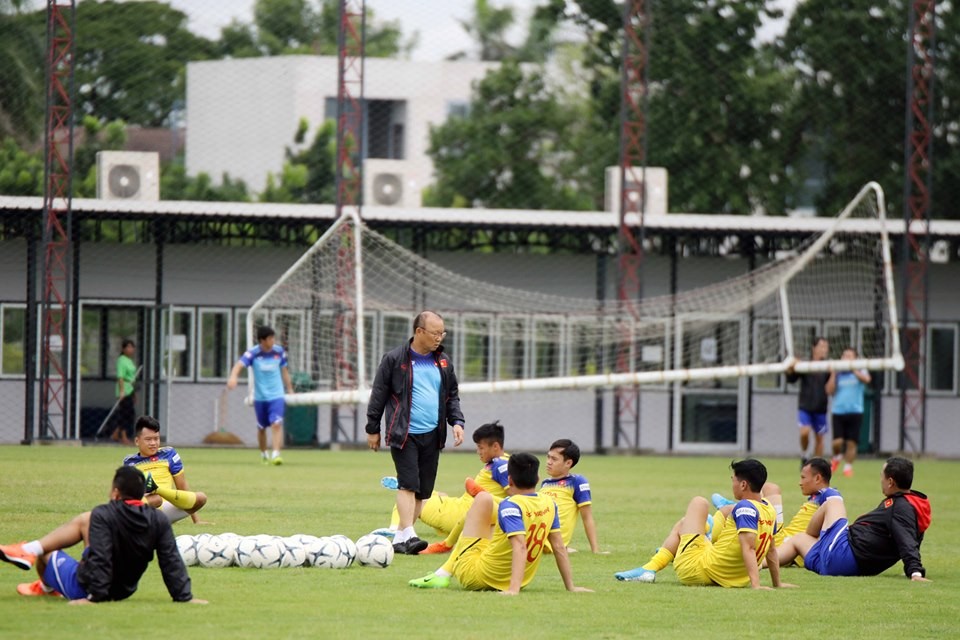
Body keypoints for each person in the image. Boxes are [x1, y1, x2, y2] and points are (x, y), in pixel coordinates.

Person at [0, 466, 206, 604]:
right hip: (125, 590)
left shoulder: (102, 514)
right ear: (140, 493)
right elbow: (170, 560)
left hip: (90, 588)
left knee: (48, 552)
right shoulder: (158, 519)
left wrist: (93, 597)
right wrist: (184, 597)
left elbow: (101, 555)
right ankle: (35, 567)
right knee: (88, 523)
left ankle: (31, 556)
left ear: (116, 493)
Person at [408, 452, 592, 594]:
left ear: (510, 480)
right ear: (536, 480)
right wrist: (571, 587)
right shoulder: (550, 504)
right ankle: (447, 553)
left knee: (482, 501)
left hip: (477, 577)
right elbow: (559, 547)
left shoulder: (510, 506)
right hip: (523, 579)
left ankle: (443, 571)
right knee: (487, 508)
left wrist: (513, 590)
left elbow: (520, 547)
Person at [366, 311, 465, 555]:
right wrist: (372, 428)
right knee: (408, 484)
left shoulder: (443, 362)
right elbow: (378, 394)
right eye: (435, 333)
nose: (439, 338)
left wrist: (457, 421)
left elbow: (452, 395)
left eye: (442, 333)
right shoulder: (394, 359)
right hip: (404, 432)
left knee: (423, 490)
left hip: (433, 434)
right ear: (419, 331)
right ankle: (410, 532)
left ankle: (400, 538)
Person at [615, 459, 792, 589]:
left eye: (734, 480)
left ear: (744, 484)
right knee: (708, 518)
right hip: (735, 577)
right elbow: (771, 549)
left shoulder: (745, 508)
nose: (732, 483)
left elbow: (749, 548)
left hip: (699, 570)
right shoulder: (769, 508)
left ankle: (649, 568)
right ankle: (716, 518)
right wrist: (778, 584)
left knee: (696, 506)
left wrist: (756, 586)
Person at [776, 457, 931, 580]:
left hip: (843, 554)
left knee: (833, 501)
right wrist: (911, 568)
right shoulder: (914, 504)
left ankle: (821, 504)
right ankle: (757, 564)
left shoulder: (900, 507)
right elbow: (913, 536)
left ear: (890, 482)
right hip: (837, 564)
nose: (880, 480)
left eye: (881, 476)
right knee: (799, 539)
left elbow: (906, 539)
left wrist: (915, 571)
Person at [713, 457, 842, 568]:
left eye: (803, 478)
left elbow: (835, 520)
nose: (800, 483)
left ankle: (729, 512)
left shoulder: (830, 495)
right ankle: (733, 510)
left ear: (818, 478)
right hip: (783, 536)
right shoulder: (817, 497)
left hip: (783, 543)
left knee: (765, 491)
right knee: (768, 489)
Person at [123, 415, 210, 524]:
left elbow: (182, 487)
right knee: (155, 499)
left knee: (201, 498)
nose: (153, 443)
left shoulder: (169, 454)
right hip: (144, 507)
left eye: (156, 438)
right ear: (137, 441)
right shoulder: (129, 462)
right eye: (148, 439)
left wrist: (196, 521)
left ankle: (157, 489)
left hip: (167, 508)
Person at [227, 325, 294, 465]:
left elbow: (285, 371)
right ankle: (264, 453)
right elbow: (239, 365)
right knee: (262, 427)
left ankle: (276, 455)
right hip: (261, 397)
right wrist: (233, 377)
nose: (273, 341)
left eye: (273, 338)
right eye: (270, 338)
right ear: (262, 340)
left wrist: (290, 388)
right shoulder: (253, 353)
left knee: (276, 424)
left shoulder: (279, 352)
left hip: (277, 395)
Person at [540, 439, 601, 554]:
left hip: (549, 541)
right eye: (548, 457)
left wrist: (595, 550)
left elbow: (587, 517)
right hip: (538, 536)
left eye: (554, 459)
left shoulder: (577, 481)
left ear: (568, 463)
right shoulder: (545, 483)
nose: (548, 462)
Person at [826, 347, 871, 477]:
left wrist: (854, 369)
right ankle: (837, 456)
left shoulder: (860, 370)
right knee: (837, 442)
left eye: (849, 355)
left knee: (852, 442)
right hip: (838, 411)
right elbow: (829, 390)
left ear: (855, 359)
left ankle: (848, 467)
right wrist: (833, 374)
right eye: (844, 355)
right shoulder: (838, 373)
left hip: (855, 411)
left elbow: (867, 380)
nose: (846, 358)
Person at [786, 336, 831, 467]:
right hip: (805, 407)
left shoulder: (828, 368)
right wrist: (791, 367)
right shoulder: (805, 365)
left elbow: (830, 389)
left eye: (826, 347)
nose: (824, 349)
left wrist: (833, 373)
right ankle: (804, 455)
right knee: (804, 433)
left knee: (820, 439)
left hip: (821, 408)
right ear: (814, 348)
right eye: (821, 346)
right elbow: (791, 378)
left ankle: (816, 467)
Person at [109, 339, 138, 445]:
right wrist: (121, 391)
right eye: (128, 347)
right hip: (124, 389)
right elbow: (120, 377)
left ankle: (116, 433)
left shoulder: (130, 361)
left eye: (132, 347)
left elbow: (132, 378)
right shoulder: (121, 360)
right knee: (125, 413)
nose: (130, 349)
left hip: (130, 389)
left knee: (130, 413)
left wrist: (134, 393)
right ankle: (123, 436)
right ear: (123, 349)